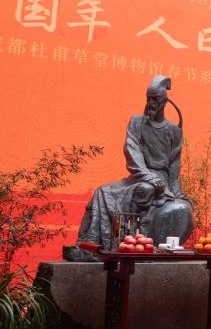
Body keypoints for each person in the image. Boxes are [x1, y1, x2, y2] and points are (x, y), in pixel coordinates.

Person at [69, 76, 194, 258]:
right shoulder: (137, 122)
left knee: (146, 190)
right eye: (148, 98)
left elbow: (174, 164)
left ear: (164, 101)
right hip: (141, 175)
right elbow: (131, 149)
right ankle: (98, 244)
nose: (151, 103)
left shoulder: (174, 131)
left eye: (155, 99)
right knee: (103, 192)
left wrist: (176, 192)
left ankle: (134, 242)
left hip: (161, 181)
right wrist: (148, 176)